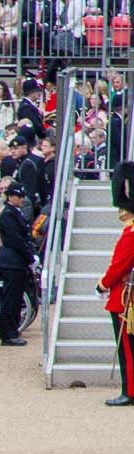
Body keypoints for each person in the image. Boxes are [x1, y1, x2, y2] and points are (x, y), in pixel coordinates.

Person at [98, 163, 134, 407]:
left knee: (128, 350)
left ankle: (130, 390)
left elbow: (117, 267)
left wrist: (102, 285)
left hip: (126, 298)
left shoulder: (131, 234)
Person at [0, 182, 35, 347]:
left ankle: (12, 330)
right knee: (11, 298)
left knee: (15, 298)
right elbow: (16, 240)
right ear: (11, 196)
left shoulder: (13, 212)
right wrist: (30, 257)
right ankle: (8, 333)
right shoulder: (8, 214)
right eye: (18, 196)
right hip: (13, 261)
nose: (21, 199)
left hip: (17, 261)